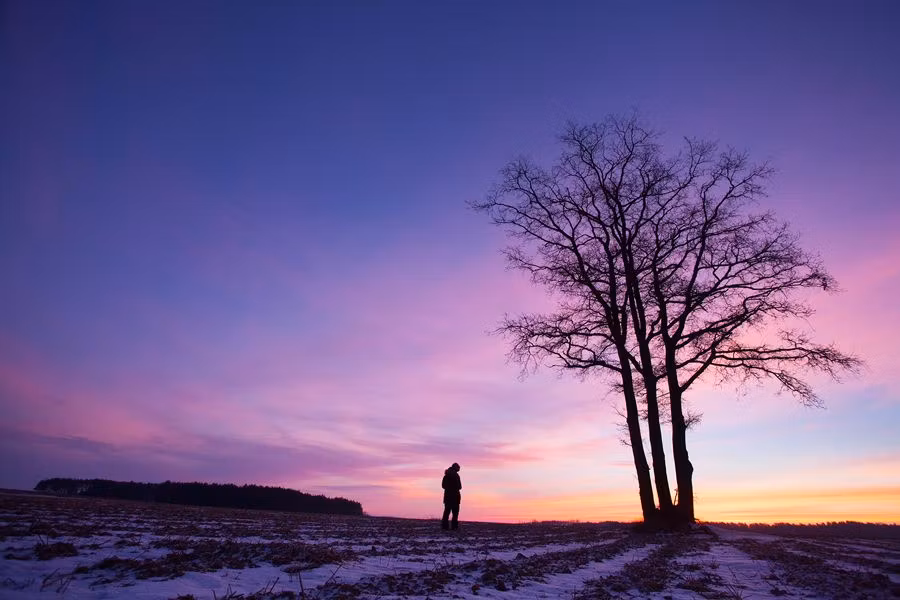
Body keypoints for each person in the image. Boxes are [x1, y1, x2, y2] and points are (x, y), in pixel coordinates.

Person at [441, 462, 462, 530]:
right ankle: (454, 527)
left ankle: (445, 526)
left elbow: (443, 486)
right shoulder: (456, 475)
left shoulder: (446, 475)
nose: (459, 469)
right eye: (458, 468)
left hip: (448, 496)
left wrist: (449, 489)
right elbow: (459, 486)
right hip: (455, 496)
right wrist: (454, 488)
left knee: (447, 512)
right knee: (455, 512)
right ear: (456, 468)